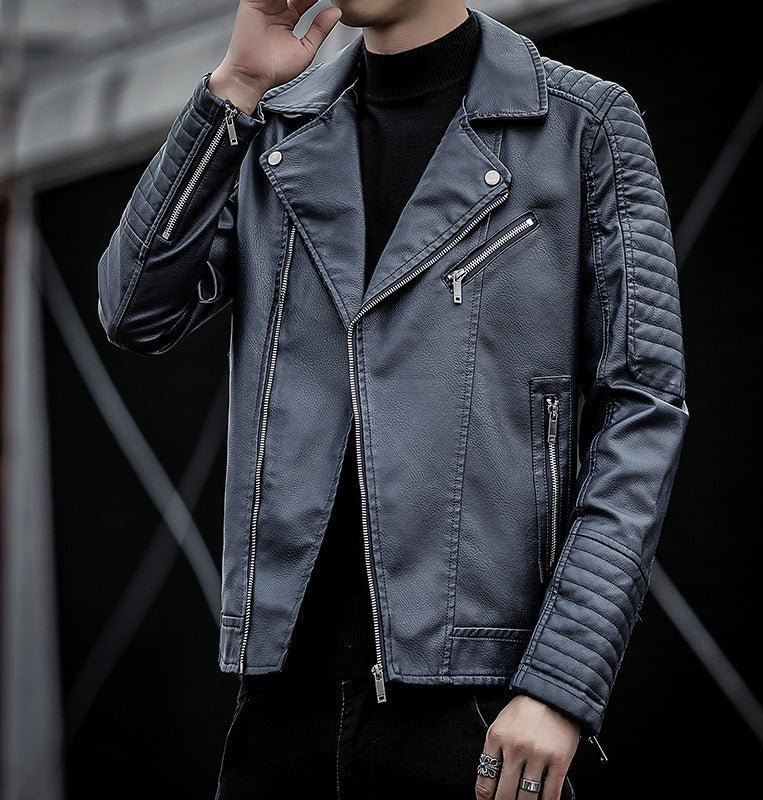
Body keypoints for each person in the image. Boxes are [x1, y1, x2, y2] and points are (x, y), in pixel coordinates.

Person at [96, 1, 689, 798]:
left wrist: (560, 682)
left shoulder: (582, 125)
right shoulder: (276, 130)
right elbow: (134, 310)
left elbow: (643, 410)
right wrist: (235, 83)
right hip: (280, 707)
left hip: (480, 709)